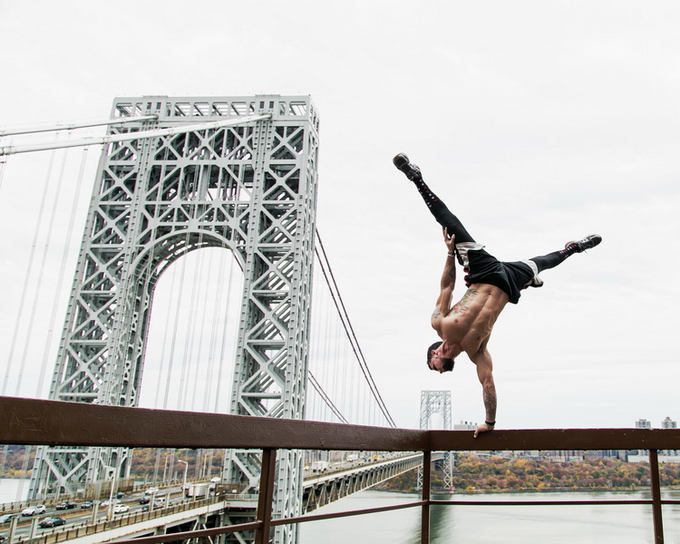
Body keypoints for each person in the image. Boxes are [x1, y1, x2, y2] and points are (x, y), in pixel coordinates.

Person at [393, 153, 602, 438]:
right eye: (437, 364)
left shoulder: (439, 323)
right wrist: (489, 424)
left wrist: (450, 252)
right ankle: (566, 254)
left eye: (434, 359)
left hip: (482, 274)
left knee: (451, 224)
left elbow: (447, 286)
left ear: (434, 350)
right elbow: (488, 383)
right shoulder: (476, 351)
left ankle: (416, 177)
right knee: (540, 263)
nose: (437, 359)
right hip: (506, 285)